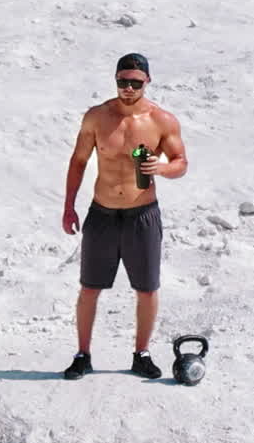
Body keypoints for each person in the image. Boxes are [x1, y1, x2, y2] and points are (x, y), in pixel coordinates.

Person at [60, 53, 187, 380]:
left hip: (141, 214)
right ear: (115, 79)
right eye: (122, 81)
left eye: (135, 82)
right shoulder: (97, 117)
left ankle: (141, 354)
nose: (128, 88)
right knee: (89, 287)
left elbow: (180, 162)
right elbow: (78, 162)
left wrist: (159, 167)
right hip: (101, 214)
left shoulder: (162, 120)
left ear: (147, 81)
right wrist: (69, 206)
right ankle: (82, 354)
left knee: (146, 289)